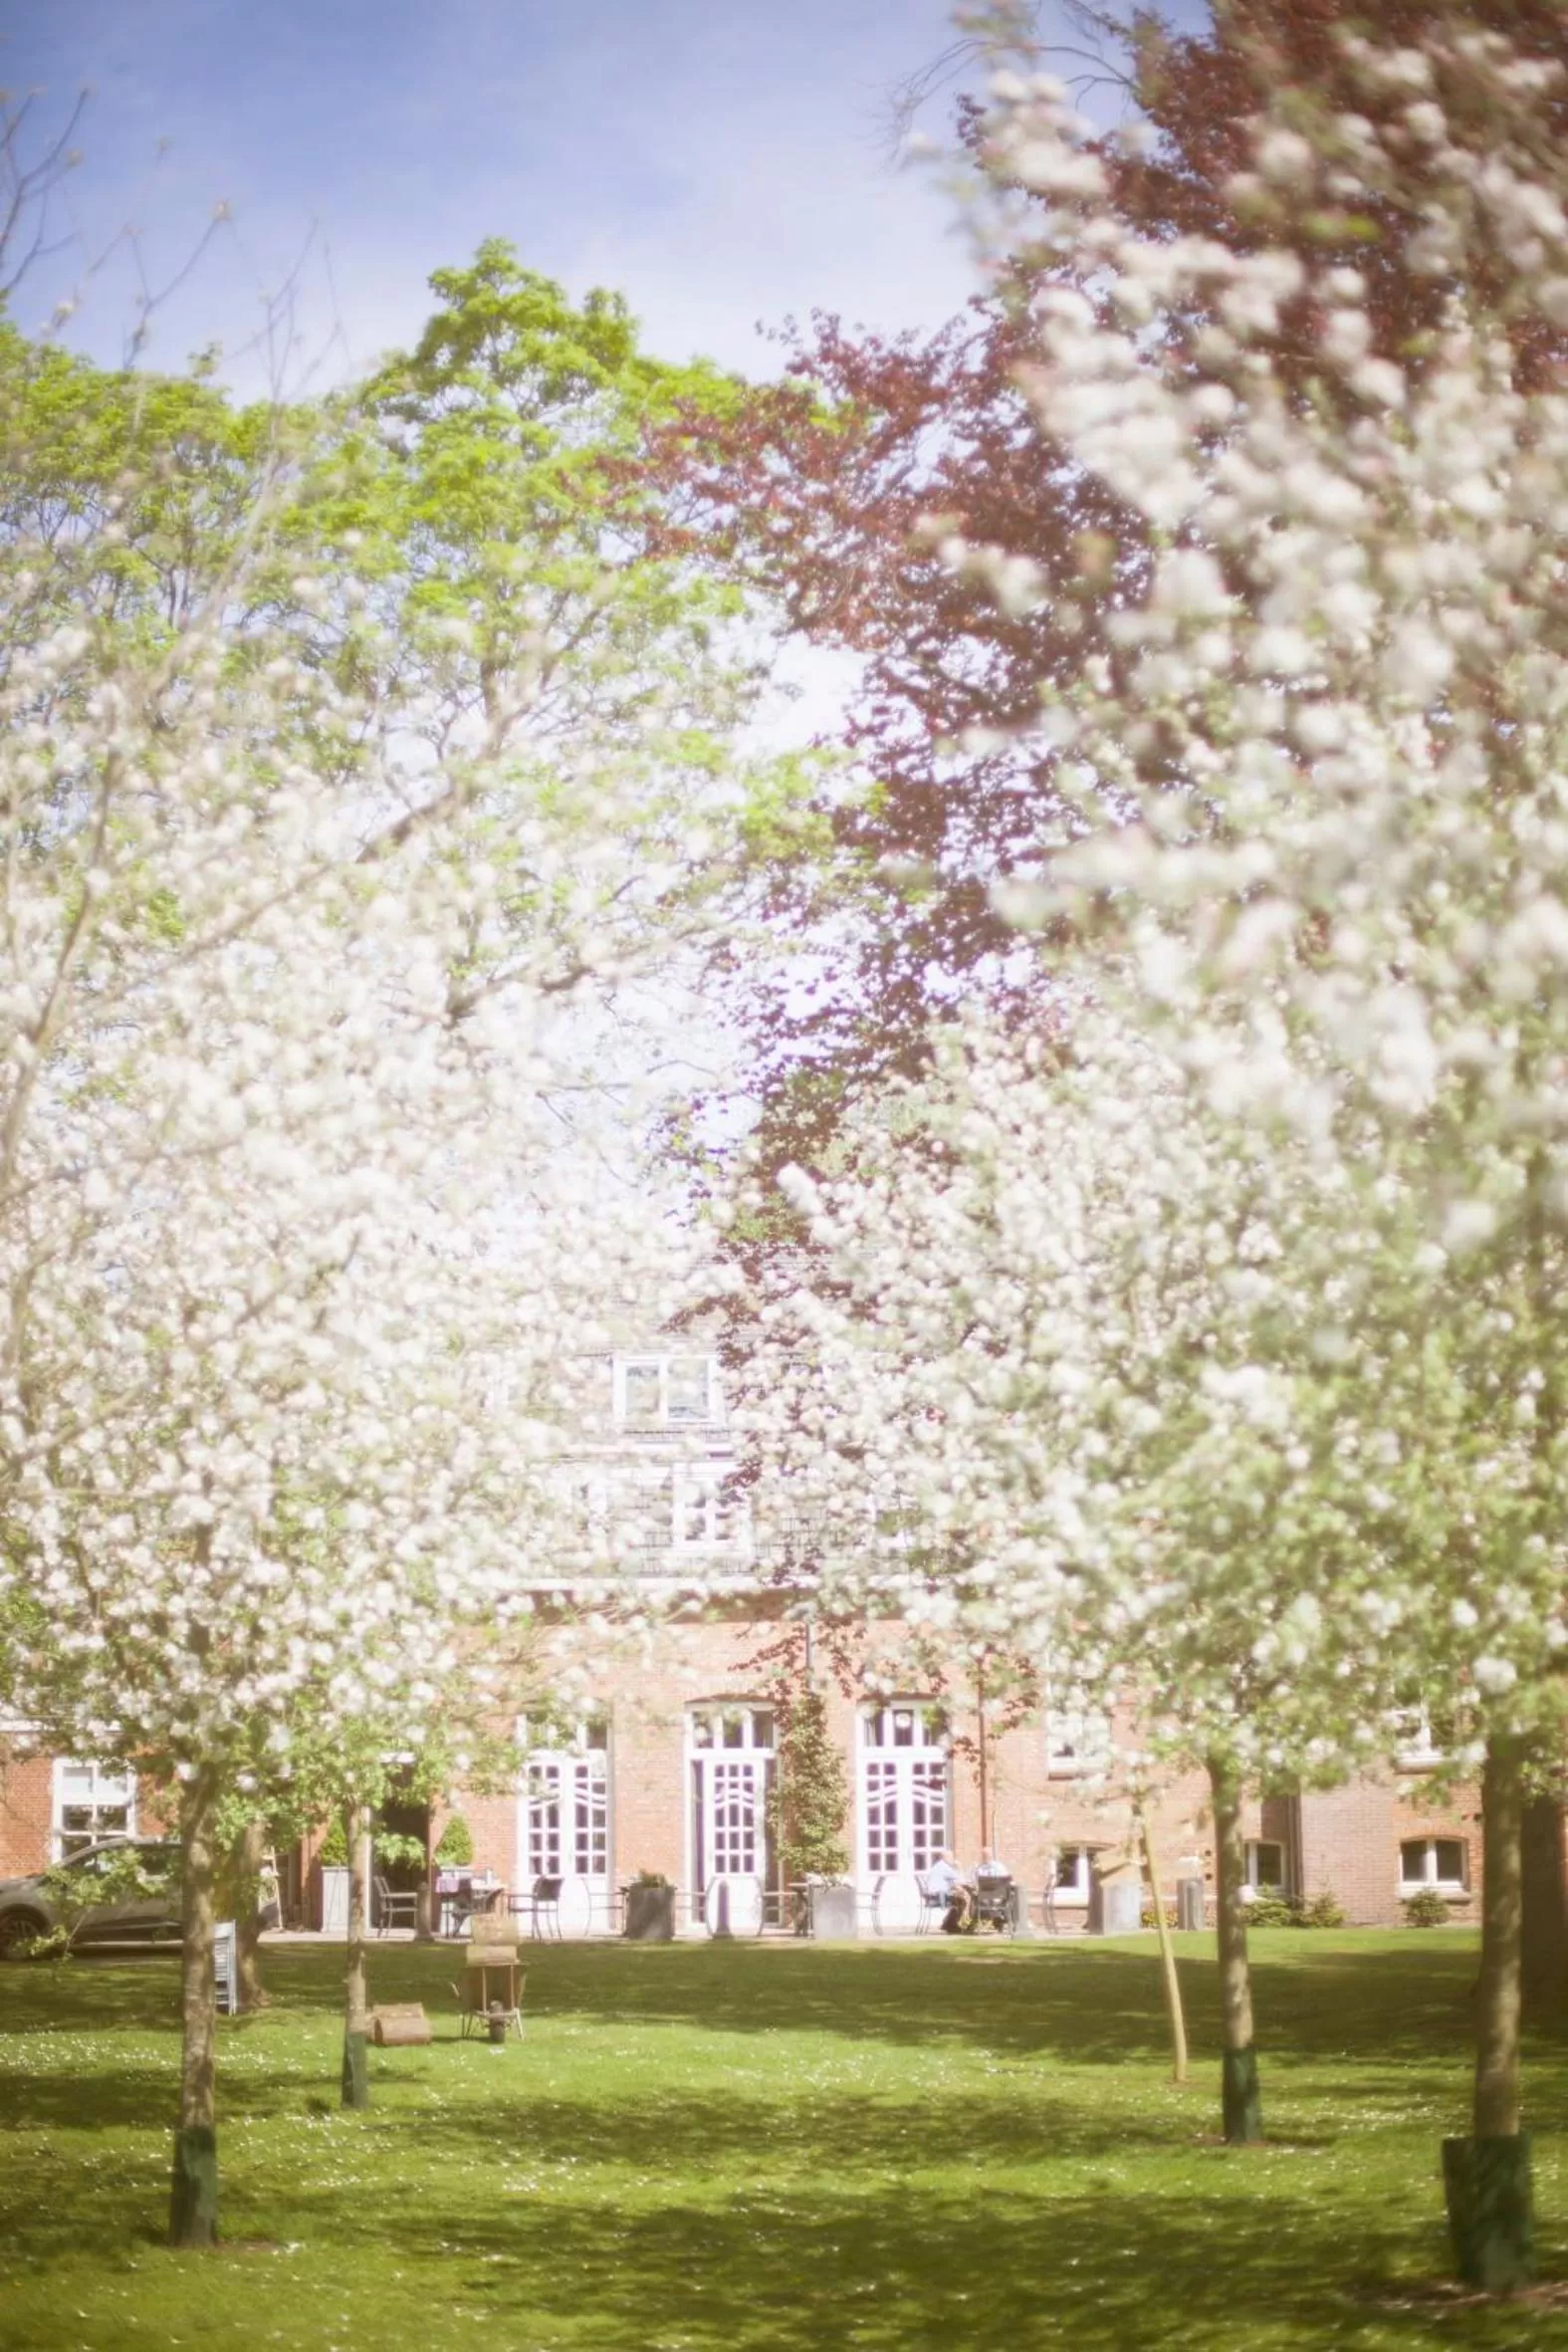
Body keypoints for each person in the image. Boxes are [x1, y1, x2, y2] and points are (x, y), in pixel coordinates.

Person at [925, 1848, 972, 1934]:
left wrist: (958, 1888)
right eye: (951, 1857)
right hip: (939, 1896)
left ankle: (951, 1925)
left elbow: (952, 1883)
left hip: (933, 1896)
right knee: (964, 1898)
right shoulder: (944, 1867)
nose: (953, 1859)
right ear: (945, 1858)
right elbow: (960, 1880)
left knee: (961, 1896)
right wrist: (959, 1867)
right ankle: (962, 1925)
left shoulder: (937, 1866)